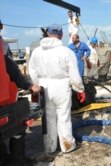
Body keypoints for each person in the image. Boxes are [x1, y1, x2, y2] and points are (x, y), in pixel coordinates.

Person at [29, 24, 85, 157]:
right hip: (62, 86)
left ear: (47, 34)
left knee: (49, 118)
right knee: (64, 117)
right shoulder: (66, 51)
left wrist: (36, 86)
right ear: (61, 35)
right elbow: (74, 74)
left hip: (44, 86)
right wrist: (80, 89)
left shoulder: (37, 51)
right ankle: (67, 145)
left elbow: (32, 71)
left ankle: (50, 146)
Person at [0, 19, 41, 166]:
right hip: (4, 102)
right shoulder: (3, 51)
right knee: (17, 127)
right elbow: (14, 73)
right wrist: (30, 86)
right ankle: (18, 160)